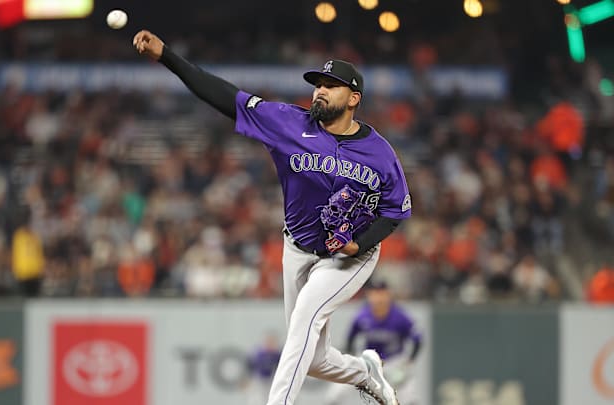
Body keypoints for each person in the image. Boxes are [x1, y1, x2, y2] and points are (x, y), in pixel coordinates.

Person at [133, 30, 411, 405]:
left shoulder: (380, 153)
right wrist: (167, 56)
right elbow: (223, 96)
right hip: (296, 247)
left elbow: (395, 211)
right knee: (312, 358)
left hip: (350, 256)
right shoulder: (287, 123)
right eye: (318, 84)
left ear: (353, 99)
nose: (320, 91)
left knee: (304, 320)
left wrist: (359, 243)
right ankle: (364, 373)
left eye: (332, 86)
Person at [325, 280, 422, 405]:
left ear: (388, 295)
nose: (378, 298)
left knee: (409, 396)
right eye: (375, 293)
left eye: (382, 293)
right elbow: (351, 337)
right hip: (370, 362)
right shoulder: (363, 315)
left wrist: (409, 362)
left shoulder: (400, 317)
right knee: (337, 391)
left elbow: (418, 339)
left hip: (394, 362)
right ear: (369, 295)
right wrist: (352, 355)